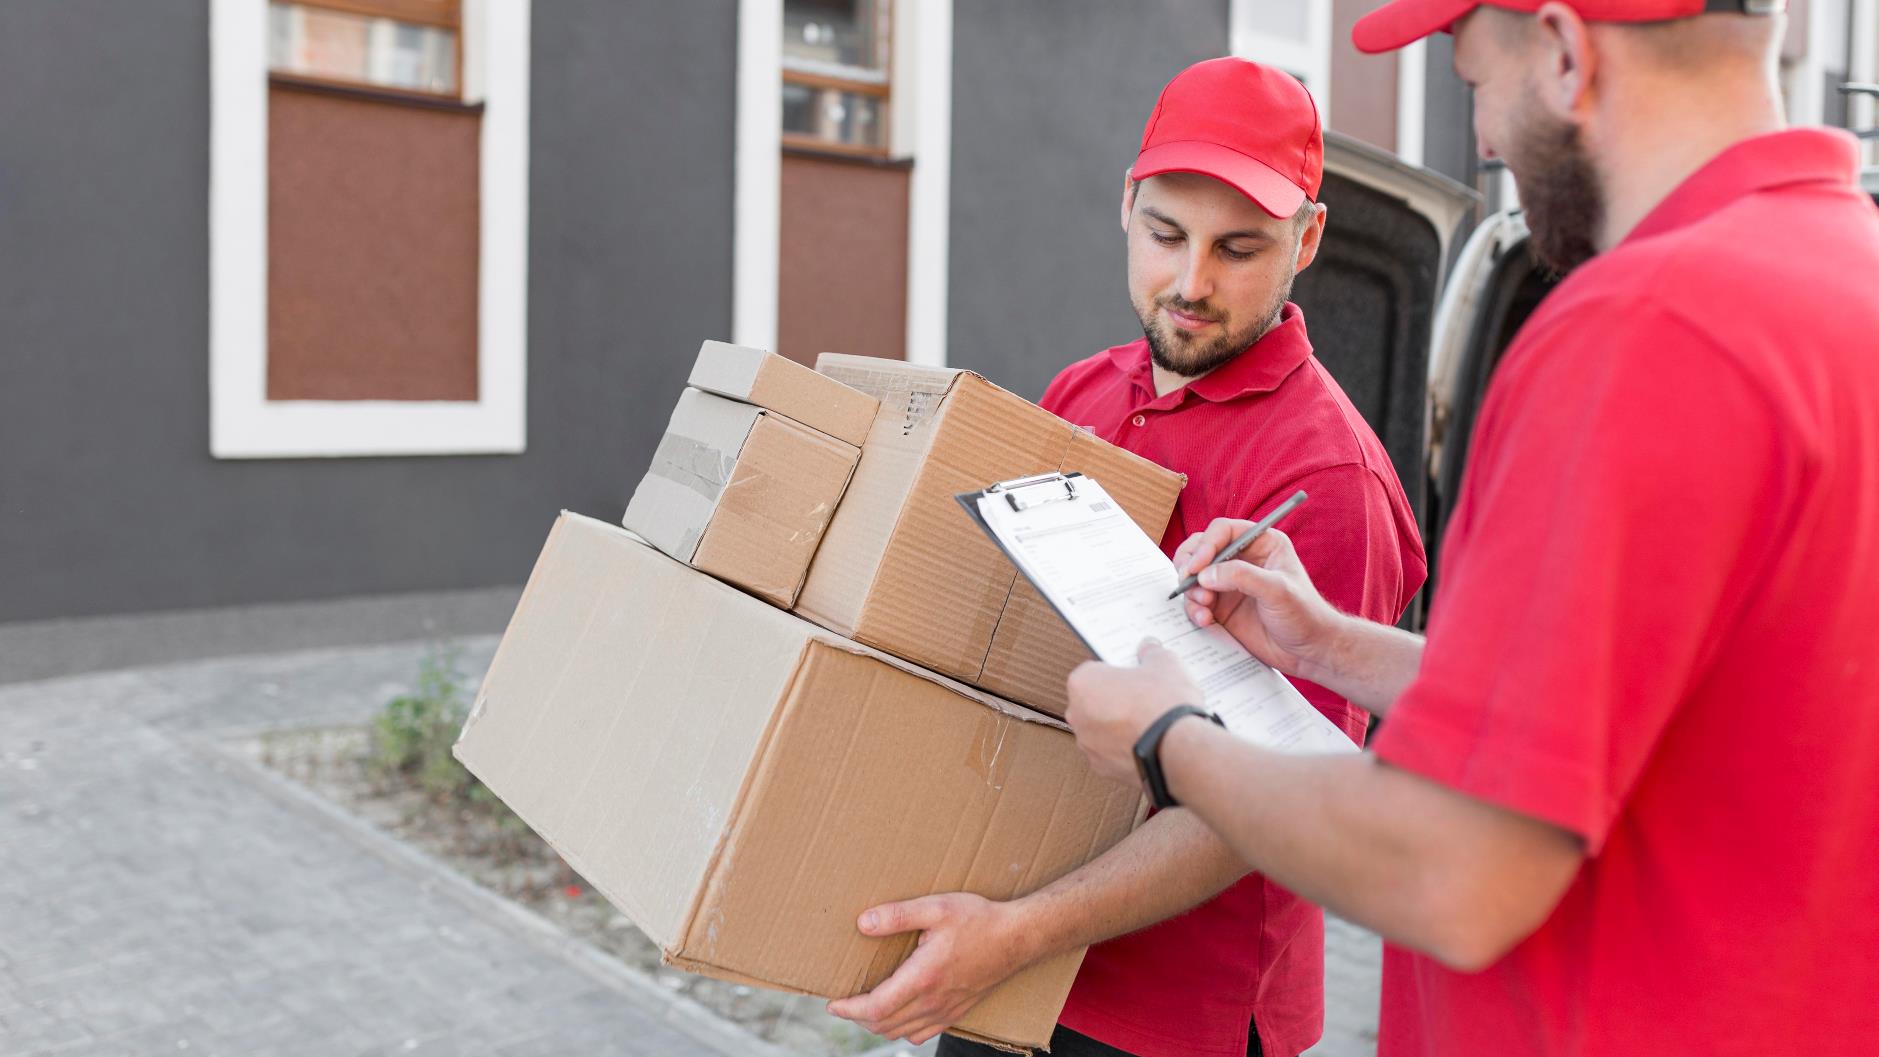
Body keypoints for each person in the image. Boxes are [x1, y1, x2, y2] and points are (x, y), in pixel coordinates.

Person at [1063, 2, 1879, 1056]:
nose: (1484, 140)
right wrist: (1329, 642)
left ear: (1563, 49)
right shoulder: (1841, 275)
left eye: (1472, 77)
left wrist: (1168, 739)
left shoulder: (1641, 329)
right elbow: (1624, 714)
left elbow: (1453, 872)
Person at [826, 57, 1428, 1057]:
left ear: (1308, 239)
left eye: (1239, 249)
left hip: (1174, 1015)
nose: (1191, 284)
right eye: (1165, 235)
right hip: (1015, 956)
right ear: (1124, 204)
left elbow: (1271, 812)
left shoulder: (1326, 475)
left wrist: (1012, 931)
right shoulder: (1083, 392)